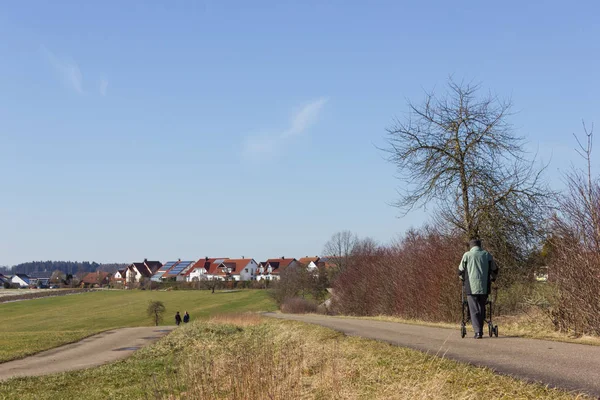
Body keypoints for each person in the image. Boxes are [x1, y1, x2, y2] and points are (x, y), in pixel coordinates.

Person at [458, 239, 498, 339]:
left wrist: (463, 279)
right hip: (484, 286)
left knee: (474, 309)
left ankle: (478, 332)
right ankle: (480, 329)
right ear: (480, 246)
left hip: (471, 287)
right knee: (481, 308)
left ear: (471, 246)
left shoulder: (467, 255)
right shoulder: (486, 255)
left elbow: (460, 271)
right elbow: (495, 269)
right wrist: (493, 278)